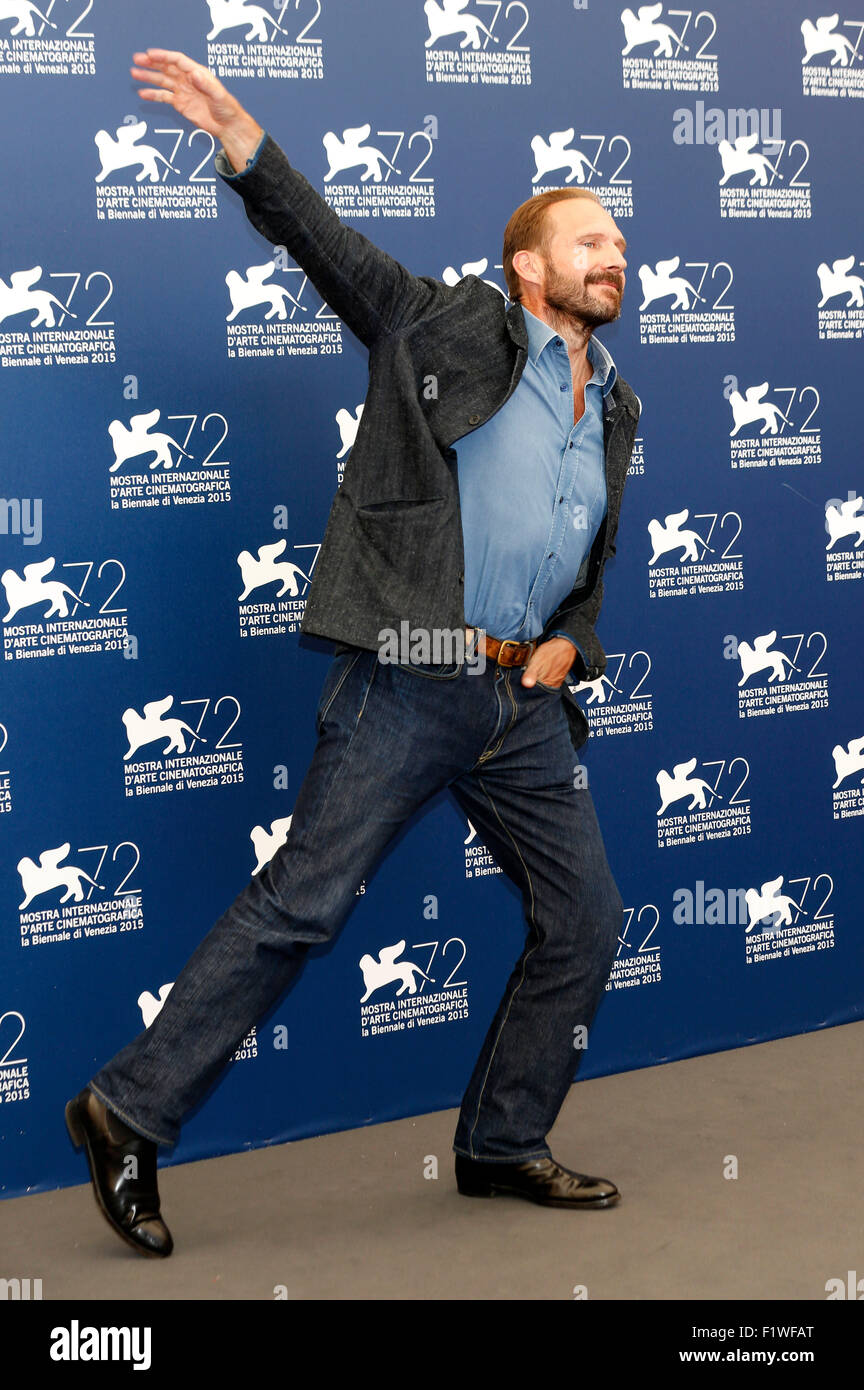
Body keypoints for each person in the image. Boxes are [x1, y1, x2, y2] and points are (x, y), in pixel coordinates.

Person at [65, 49, 640, 1258]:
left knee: (585, 918)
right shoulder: (442, 324)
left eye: (620, 243)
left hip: (519, 703)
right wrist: (240, 138)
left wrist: (572, 643)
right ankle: (125, 1111)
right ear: (528, 267)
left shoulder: (617, 405)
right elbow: (329, 246)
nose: (614, 256)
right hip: (415, 669)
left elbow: (586, 572)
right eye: (590, 240)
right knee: (304, 905)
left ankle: (498, 1142)